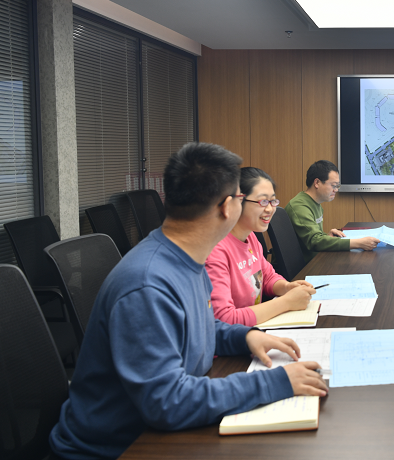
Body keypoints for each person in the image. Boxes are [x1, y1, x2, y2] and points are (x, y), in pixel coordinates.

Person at [50, 143, 327, 459]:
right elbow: (167, 402)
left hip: (155, 428)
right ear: (227, 207)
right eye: (242, 198)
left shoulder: (186, 257)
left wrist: (243, 337)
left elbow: (195, 327)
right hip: (118, 447)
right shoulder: (147, 285)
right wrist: (274, 383)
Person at [205, 167, 316, 326]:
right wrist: (286, 302)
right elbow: (224, 319)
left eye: (273, 201)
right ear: (236, 202)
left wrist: (287, 287)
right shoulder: (214, 250)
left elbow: (267, 276)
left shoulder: (250, 236)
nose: (270, 209)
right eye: (263, 201)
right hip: (234, 337)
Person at [286, 160, 380, 262]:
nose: (336, 190)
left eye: (337, 186)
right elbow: (315, 241)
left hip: (315, 259)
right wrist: (358, 243)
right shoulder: (299, 206)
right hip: (305, 266)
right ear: (317, 183)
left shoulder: (315, 203)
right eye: (333, 185)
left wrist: (326, 237)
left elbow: (313, 238)